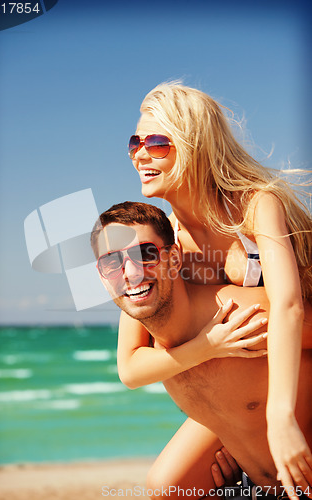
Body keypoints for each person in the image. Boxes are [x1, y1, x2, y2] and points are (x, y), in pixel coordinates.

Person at [121, 82, 312, 497]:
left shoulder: (256, 204)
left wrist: (281, 418)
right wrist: (209, 346)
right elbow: (131, 364)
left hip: (294, 377)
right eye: (136, 141)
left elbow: (288, 305)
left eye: (156, 142)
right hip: (239, 402)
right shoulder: (163, 239)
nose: (140, 153)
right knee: (167, 486)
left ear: (193, 144)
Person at [90, 201, 312, 500]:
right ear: (102, 275)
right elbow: (128, 372)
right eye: (111, 262)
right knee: (167, 488)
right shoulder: (156, 344)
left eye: (145, 254)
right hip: (266, 488)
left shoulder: (237, 318)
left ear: (173, 258)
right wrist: (206, 347)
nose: (131, 272)